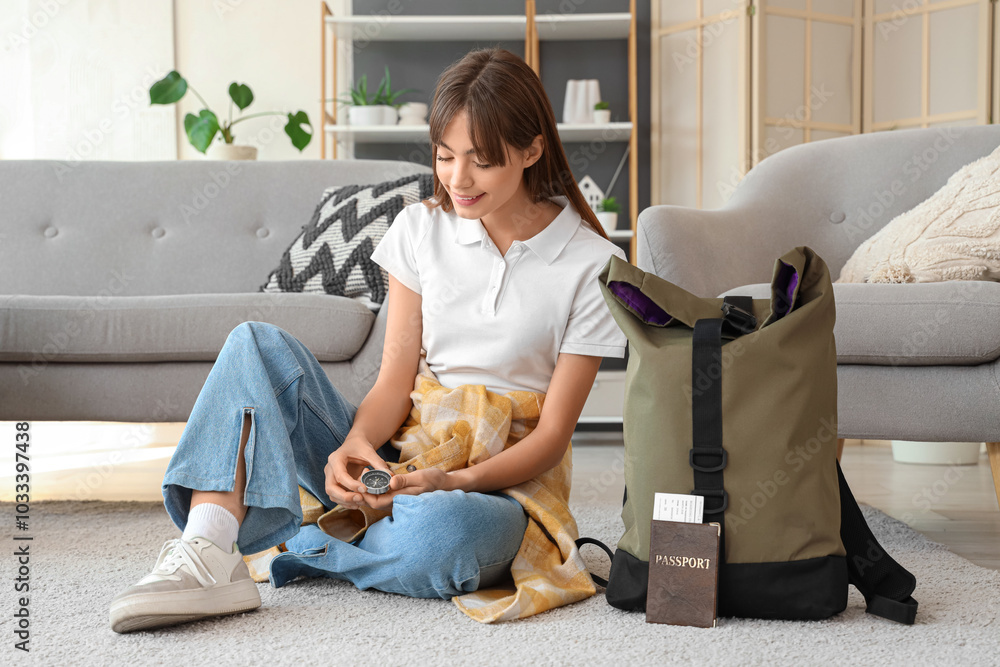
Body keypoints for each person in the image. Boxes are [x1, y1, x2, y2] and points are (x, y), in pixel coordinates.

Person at [109, 47, 626, 633]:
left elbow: (552, 437)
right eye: (444, 156)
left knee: (444, 535)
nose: (458, 179)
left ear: (532, 150)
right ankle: (208, 549)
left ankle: (301, 545)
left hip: (499, 491)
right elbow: (394, 383)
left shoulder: (593, 264)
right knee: (254, 344)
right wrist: (354, 443)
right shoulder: (420, 228)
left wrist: (450, 482)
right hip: (404, 454)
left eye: (481, 162)